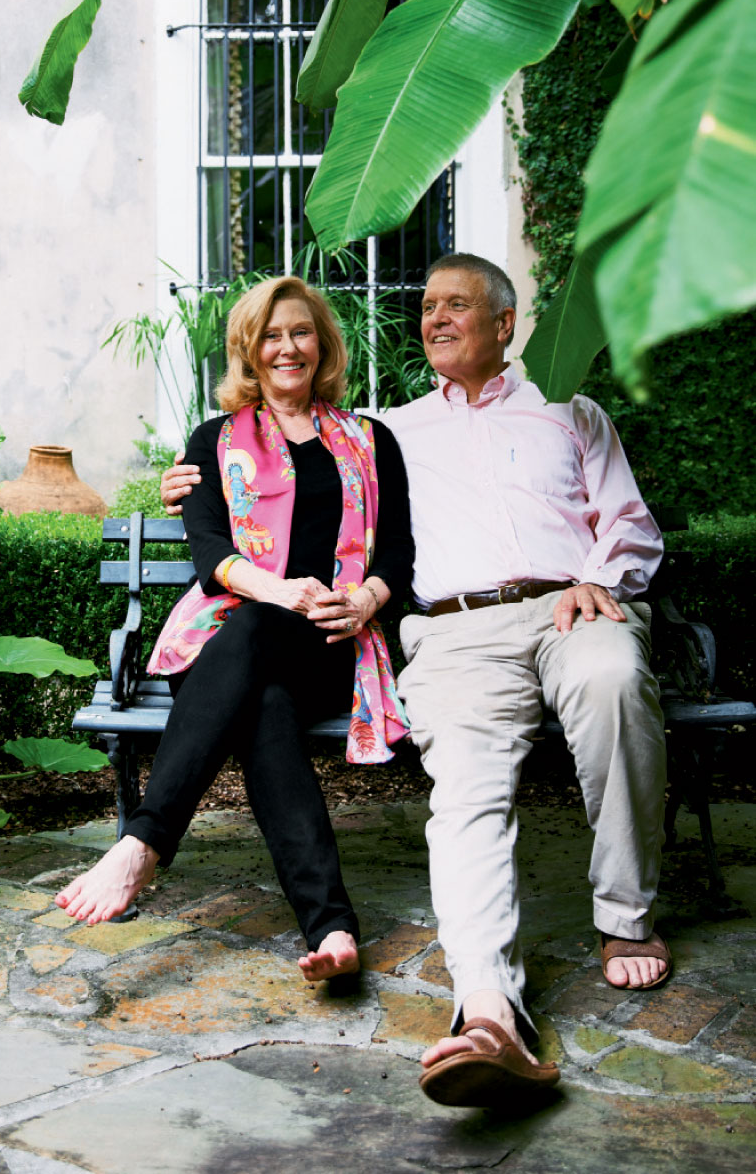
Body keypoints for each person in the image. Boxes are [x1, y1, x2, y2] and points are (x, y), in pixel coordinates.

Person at [160, 253, 669, 1105]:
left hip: (572, 608)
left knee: (614, 683)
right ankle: (485, 1010)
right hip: (456, 631)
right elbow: (292, 474)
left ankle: (625, 919)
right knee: (464, 789)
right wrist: (189, 478)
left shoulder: (570, 413)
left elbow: (628, 522)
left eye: (456, 306)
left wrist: (601, 576)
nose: (433, 319)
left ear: (504, 324)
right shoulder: (387, 431)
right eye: (426, 306)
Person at [57, 275, 413, 983]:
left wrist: (364, 601)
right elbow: (211, 554)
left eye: (300, 332)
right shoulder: (213, 442)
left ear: (323, 344)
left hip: (332, 642)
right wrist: (280, 593)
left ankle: (144, 842)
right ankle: (332, 926)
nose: (287, 347)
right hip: (230, 633)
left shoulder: (370, 442)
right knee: (264, 699)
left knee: (268, 678)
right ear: (248, 352)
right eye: (270, 336)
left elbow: (398, 554)